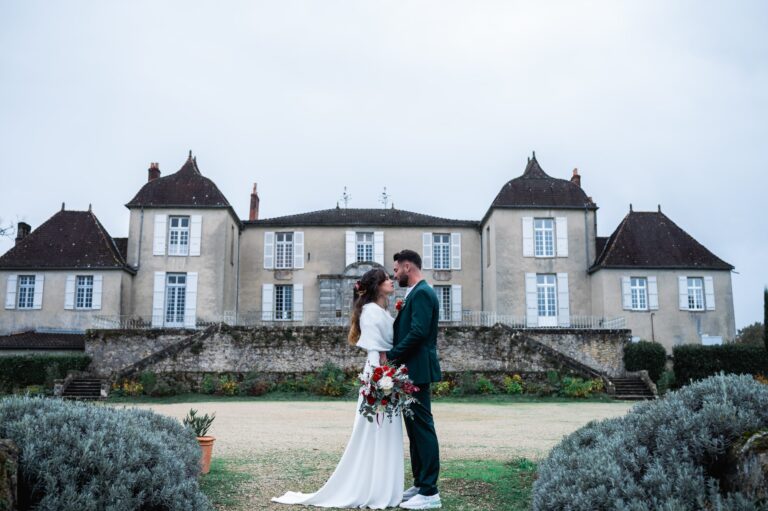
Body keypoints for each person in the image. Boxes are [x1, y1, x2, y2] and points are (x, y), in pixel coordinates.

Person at [272, 268, 403, 509]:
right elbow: (378, 349)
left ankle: (381, 484)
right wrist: (382, 379)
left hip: (385, 373)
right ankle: (373, 487)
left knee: (382, 430)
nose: (391, 280)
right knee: (375, 430)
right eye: (386, 278)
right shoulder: (371, 312)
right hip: (380, 374)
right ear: (376, 286)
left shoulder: (378, 310)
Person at [385, 249, 442, 510]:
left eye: (396, 270)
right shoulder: (415, 293)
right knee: (414, 430)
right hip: (411, 370)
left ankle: (430, 492)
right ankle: (420, 484)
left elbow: (419, 332)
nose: (394, 275)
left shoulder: (422, 293)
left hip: (417, 369)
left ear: (408, 267)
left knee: (422, 428)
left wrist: (392, 357)